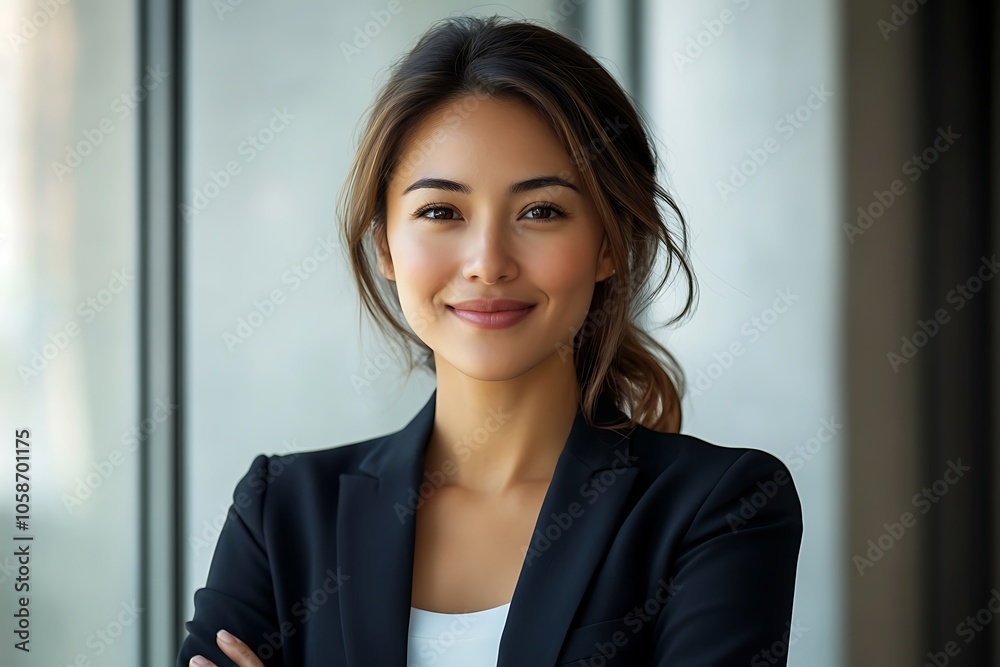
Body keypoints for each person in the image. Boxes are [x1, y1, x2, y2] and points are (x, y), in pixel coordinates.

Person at [177, 14, 803, 667]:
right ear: (386, 243)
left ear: (609, 243)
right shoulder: (282, 511)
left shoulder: (719, 507)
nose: (487, 261)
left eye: (541, 211)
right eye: (441, 211)